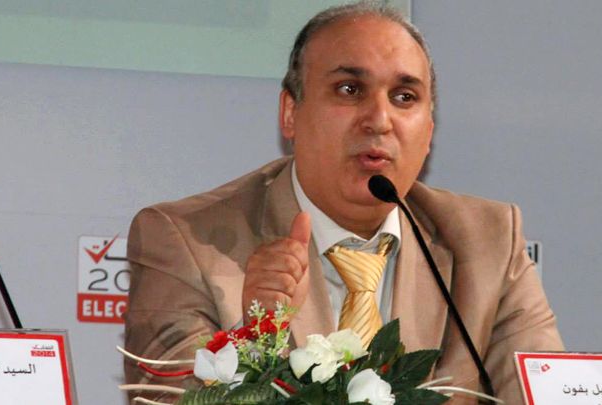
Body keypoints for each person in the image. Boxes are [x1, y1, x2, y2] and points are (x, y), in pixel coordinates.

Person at [124, 3, 563, 404]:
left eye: (404, 97)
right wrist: (256, 339)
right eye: (350, 89)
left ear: (429, 131)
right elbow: (168, 399)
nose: (380, 120)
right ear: (291, 113)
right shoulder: (185, 242)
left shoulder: (489, 242)